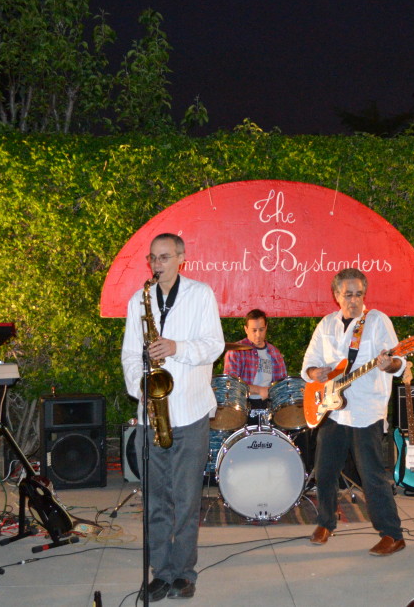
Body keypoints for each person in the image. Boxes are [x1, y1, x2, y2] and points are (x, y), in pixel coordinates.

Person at [121, 233, 225, 601]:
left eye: (165, 257)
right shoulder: (140, 299)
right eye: (153, 258)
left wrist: (176, 348)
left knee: (186, 499)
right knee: (156, 500)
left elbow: (215, 344)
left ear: (182, 258)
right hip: (154, 414)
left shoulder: (200, 295)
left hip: (192, 409)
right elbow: (130, 355)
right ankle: (160, 573)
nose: (157, 264)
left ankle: (184, 573)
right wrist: (142, 386)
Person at [302, 267, 406, 556]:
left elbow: (398, 362)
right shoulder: (326, 324)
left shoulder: (377, 322)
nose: (354, 300)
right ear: (336, 296)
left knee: (371, 475)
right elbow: (309, 362)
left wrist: (392, 364)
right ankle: (326, 523)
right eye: (347, 294)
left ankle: (392, 534)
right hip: (332, 410)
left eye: (359, 294)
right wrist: (315, 372)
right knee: (324, 471)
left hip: (366, 410)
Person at [223, 309, 287, 422]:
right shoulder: (236, 351)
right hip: (244, 406)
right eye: (254, 330)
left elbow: (281, 385)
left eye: (261, 330)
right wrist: (259, 390)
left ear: (266, 327)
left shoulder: (274, 352)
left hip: (269, 407)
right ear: (246, 329)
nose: (258, 335)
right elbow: (231, 385)